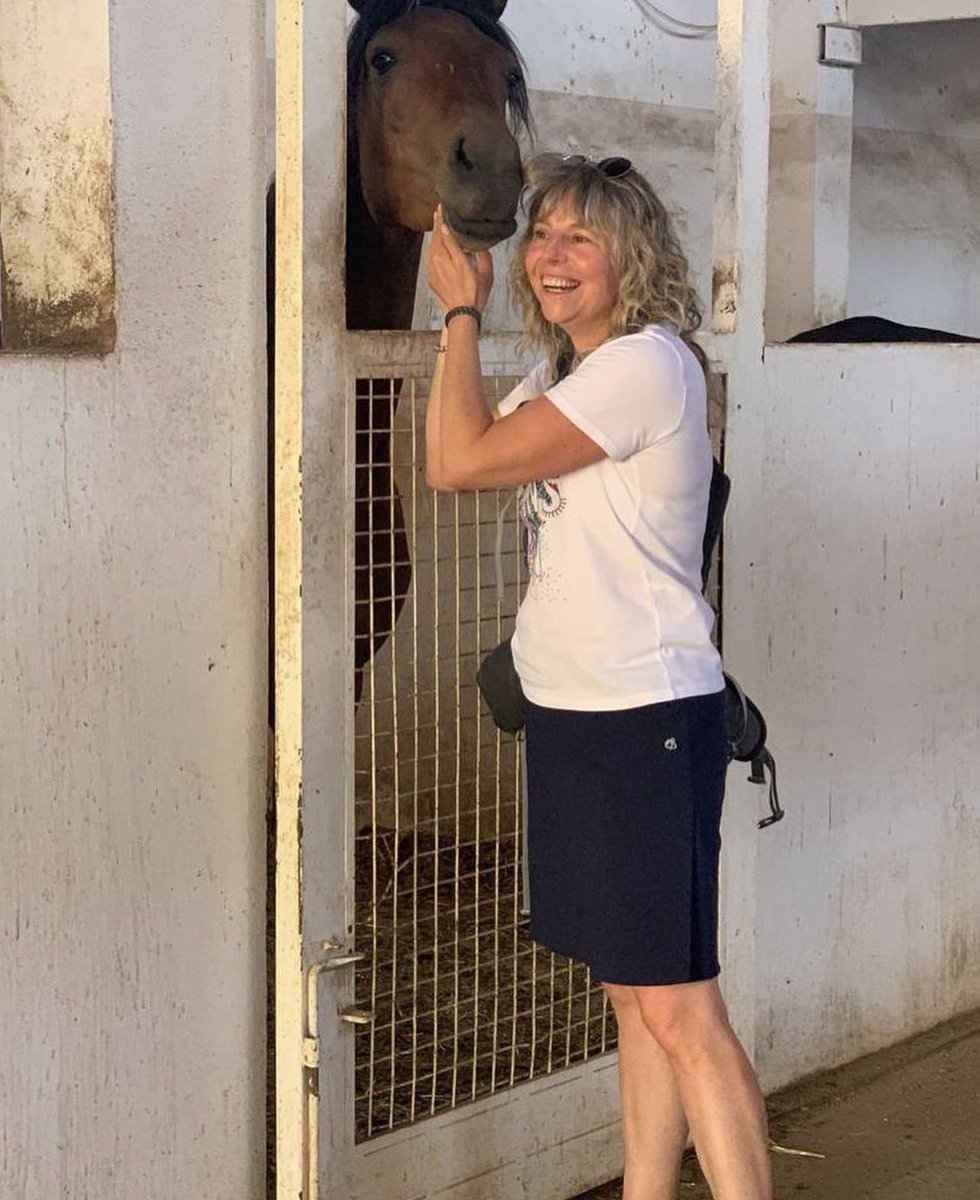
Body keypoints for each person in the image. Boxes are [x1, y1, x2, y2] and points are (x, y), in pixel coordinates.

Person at [425, 152, 772, 1200]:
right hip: (580, 721)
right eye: (542, 235)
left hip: (643, 722)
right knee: (632, 998)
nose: (551, 256)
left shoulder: (643, 364)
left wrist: (456, 319)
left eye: (581, 237)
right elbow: (465, 444)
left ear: (633, 257)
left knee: (680, 1010)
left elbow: (453, 461)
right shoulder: (569, 375)